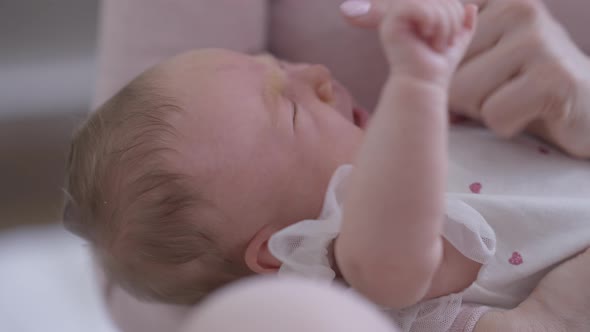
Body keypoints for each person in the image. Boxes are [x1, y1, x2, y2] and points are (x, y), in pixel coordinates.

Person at [64, 0, 590, 331]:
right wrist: (417, 81)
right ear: (277, 250)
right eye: (292, 110)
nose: (317, 75)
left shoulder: (404, 141)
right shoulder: (345, 248)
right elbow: (399, 261)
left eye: (283, 67)